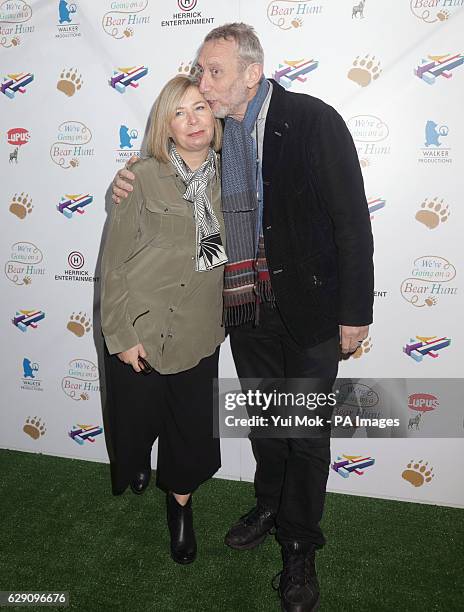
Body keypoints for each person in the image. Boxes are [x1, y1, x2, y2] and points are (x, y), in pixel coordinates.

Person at [112, 23, 374, 612]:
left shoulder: (311, 120)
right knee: (265, 425)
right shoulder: (218, 137)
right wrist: (125, 178)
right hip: (246, 309)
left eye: (214, 71)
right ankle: (269, 505)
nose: (203, 82)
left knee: (303, 435)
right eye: (201, 70)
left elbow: (352, 221)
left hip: (311, 311)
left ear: (252, 74)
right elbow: (168, 169)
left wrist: (355, 312)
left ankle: (299, 548)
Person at [102, 74, 226, 565]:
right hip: (143, 326)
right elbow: (113, 264)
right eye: (180, 112)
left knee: (190, 432)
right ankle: (136, 462)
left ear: (214, 116)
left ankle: (180, 507)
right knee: (134, 422)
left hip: (199, 331)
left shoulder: (237, 180)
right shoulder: (141, 177)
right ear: (165, 125)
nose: (192, 120)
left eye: (200, 107)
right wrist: (123, 335)